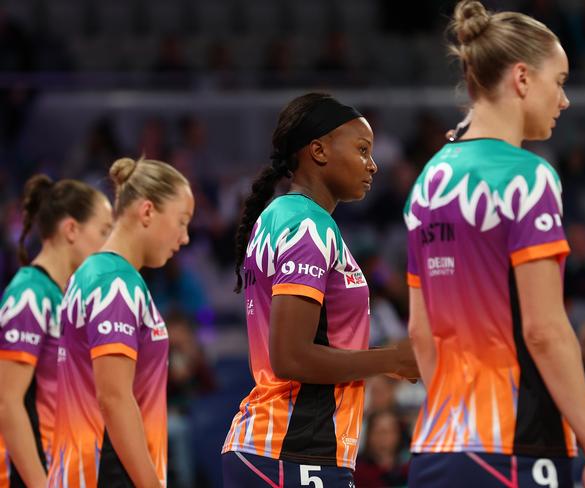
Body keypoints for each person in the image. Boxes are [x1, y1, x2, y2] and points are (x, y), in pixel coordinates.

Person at [403, 1, 585, 487]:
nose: (564, 101)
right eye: (559, 82)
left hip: (438, 448)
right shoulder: (528, 178)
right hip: (515, 448)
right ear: (522, 79)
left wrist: (457, 425)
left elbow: (420, 333)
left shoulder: (427, 182)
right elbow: (544, 329)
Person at [221, 93, 418, 487]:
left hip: (281, 448)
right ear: (318, 151)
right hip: (293, 449)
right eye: (362, 149)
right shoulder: (307, 225)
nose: (373, 164)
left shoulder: (283, 216)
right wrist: (391, 360)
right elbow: (291, 356)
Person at [47, 157, 194, 488]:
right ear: (147, 212)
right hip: (107, 474)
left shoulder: (97, 274)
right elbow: (113, 399)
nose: (184, 238)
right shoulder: (114, 283)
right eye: (181, 222)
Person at [0, 175, 112, 488]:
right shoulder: (29, 295)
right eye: (104, 231)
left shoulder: (65, 296)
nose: (108, 244)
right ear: (71, 230)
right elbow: (7, 402)